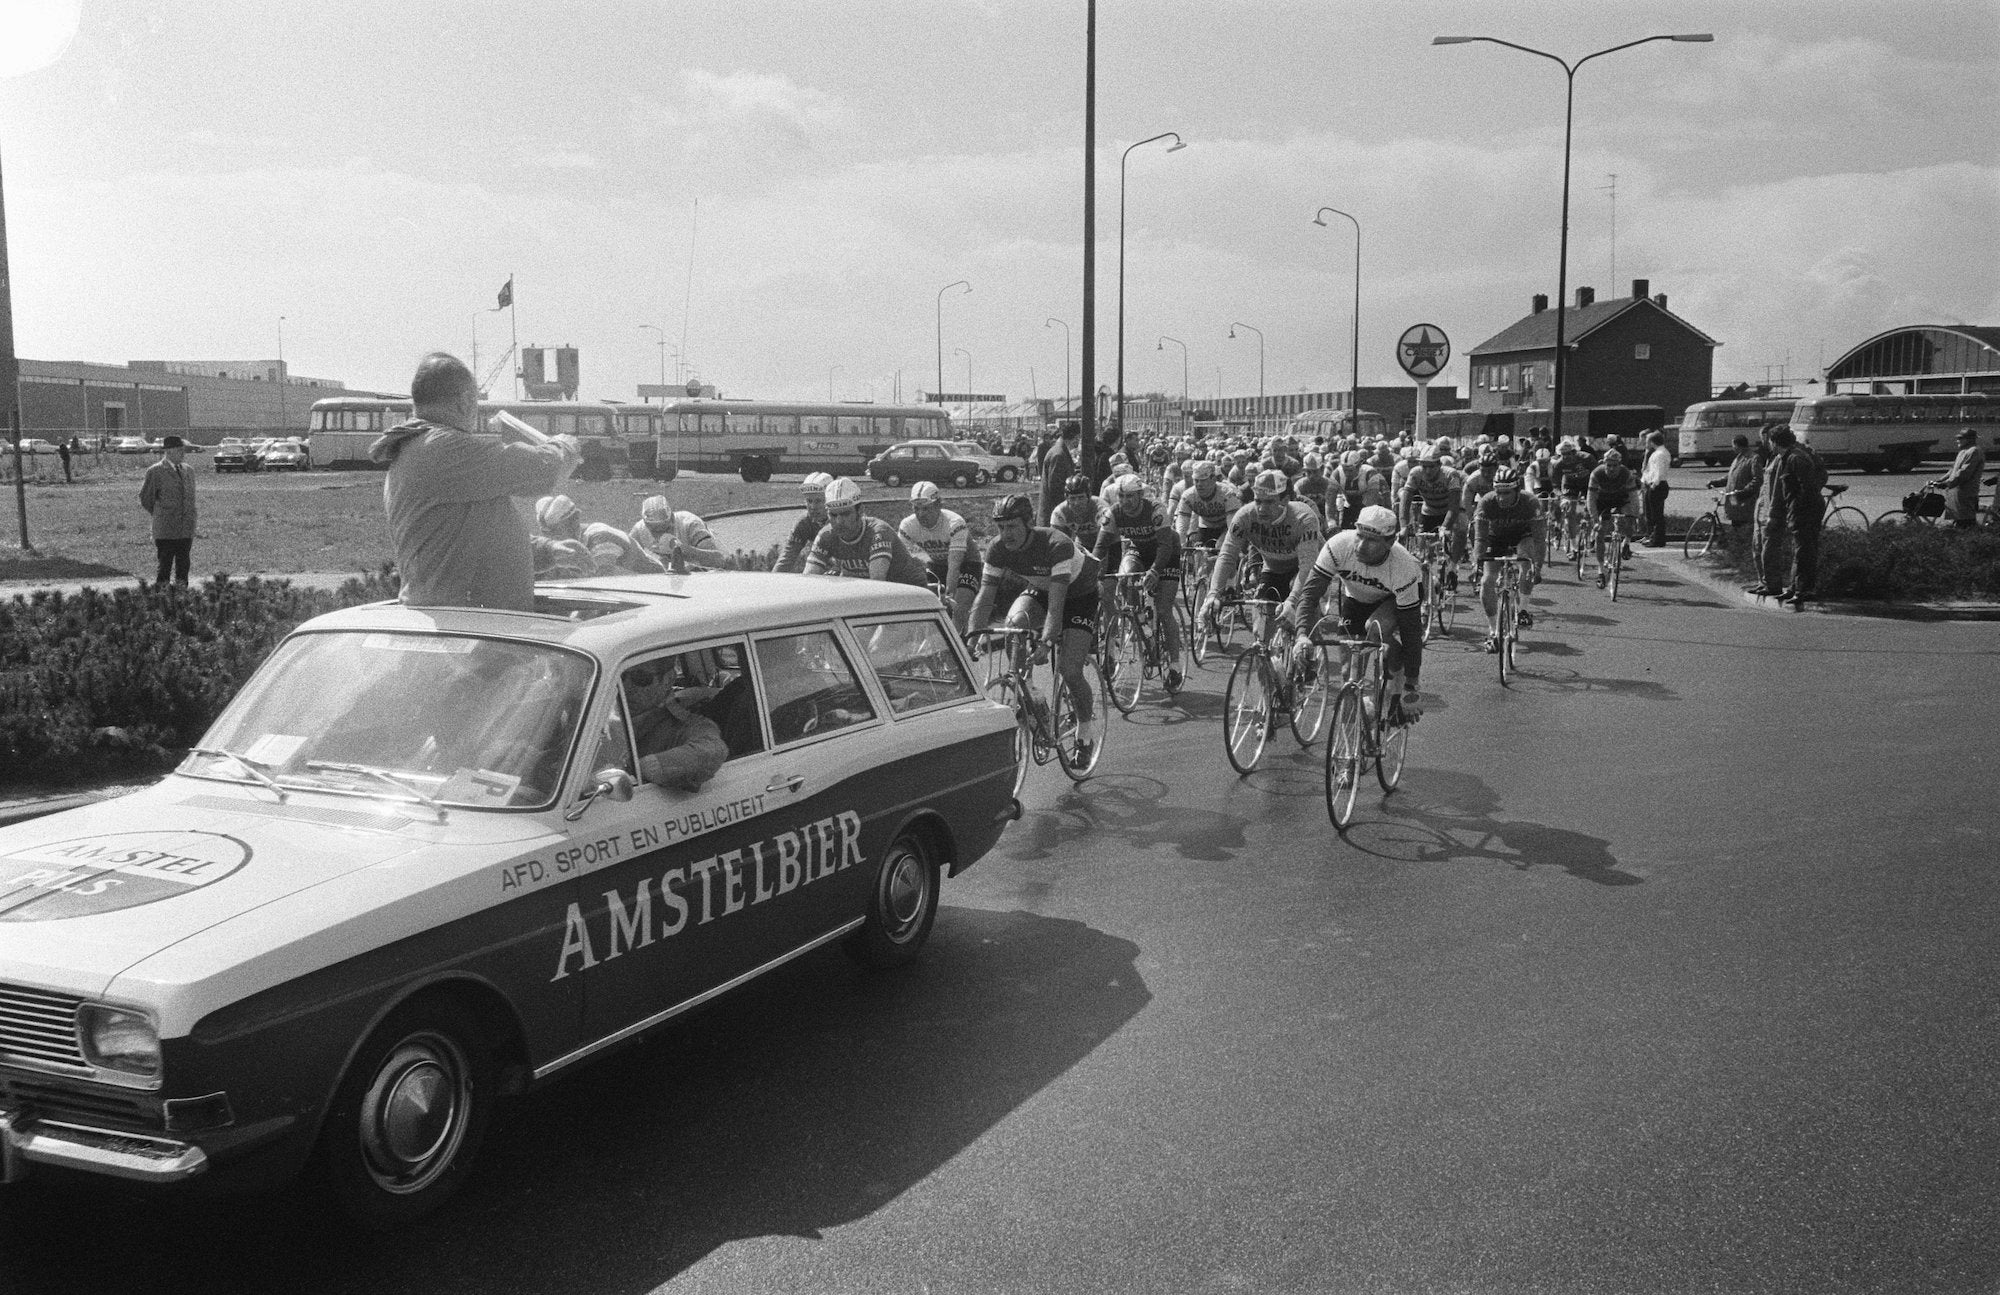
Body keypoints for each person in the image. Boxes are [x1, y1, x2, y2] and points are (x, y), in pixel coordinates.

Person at [370, 351, 581, 610]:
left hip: (461, 619)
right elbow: (540, 470)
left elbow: (476, 540)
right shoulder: (444, 448)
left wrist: (548, 551)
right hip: (467, 625)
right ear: (466, 401)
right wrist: (564, 447)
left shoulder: (419, 447)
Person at [969, 492, 1102, 764]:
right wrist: (970, 637)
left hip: (1079, 595)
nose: (1006, 534)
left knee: (1070, 669)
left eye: (1013, 527)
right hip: (1042, 588)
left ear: (1029, 523)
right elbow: (984, 598)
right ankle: (1030, 691)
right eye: (1001, 527)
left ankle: (1085, 733)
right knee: (1014, 623)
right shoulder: (997, 548)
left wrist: (1046, 641)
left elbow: (1056, 607)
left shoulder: (1057, 544)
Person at [1288, 505, 1426, 711]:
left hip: (1392, 600)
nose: (1361, 546)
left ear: (1390, 542)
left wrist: (1411, 684)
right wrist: (1301, 634)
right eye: (1359, 536)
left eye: (1371, 540)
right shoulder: (1339, 545)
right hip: (1356, 597)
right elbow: (1310, 595)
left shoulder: (1403, 566)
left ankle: (1397, 675)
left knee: (1374, 628)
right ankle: (1356, 726)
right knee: (1349, 670)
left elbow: (1411, 630)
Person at [1201, 469, 1323, 647]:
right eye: (1258, 501)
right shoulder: (1245, 515)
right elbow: (1227, 555)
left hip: (1305, 568)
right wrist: (1213, 595)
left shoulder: (1303, 517)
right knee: (1262, 639)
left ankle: (1308, 663)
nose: (1261, 508)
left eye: (1269, 502)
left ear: (1285, 500)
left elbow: (1307, 566)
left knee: (1303, 624)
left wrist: (1293, 600)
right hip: (1273, 568)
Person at [1094, 472, 1185, 691]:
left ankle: (1174, 665)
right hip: (1138, 550)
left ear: (1140, 495)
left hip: (1167, 552)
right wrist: (1094, 571)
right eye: (1122, 496)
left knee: (1163, 610)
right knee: (1125, 578)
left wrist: (1155, 571)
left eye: (1130, 497)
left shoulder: (1156, 509)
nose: (1125, 502)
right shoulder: (1114, 512)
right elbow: (1101, 545)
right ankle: (1141, 621)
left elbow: (1164, 545)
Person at [622, 657, 727, 792]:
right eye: (622, 676)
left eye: (640, 678)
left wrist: (643, 768)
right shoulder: (605, 718)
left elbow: (712, 750)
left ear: (668, 680)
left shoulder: (689, 726)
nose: (626, 687)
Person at [1470, 466, 1545, 652]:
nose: (1502, 497)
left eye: (1507, 493)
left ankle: (1523, 610)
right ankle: (1493, 631)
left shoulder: (1531, 502)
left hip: (1523, 535)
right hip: (1496, 538)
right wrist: (1476, 564)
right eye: (1499, 492)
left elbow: (1539, 540)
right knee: (1487, 581)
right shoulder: (1487, 502)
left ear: (1517, 490)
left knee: (1527, 563)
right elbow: (1479, 538)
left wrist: (1538, 567)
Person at [804, 477, 931, 584]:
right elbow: (808, 581)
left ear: (860, 511)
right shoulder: (826, 535)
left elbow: (876, 584)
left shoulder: (879, 532)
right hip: (879, 591)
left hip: (910, 589)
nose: (839, 522)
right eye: (833, 515)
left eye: (845, 514)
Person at [1760, 426, 1827, 608]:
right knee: (1798, 548)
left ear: (1775, 442)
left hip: (1806, 510)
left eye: (1770, 441)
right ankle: (1794, 587)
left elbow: (1808, 488)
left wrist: (1799, 509)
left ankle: (1803, 590)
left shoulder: (1796, 458)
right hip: (1797, 510)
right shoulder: (1787, 457)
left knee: (1804, 550)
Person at [899, 481, 980, 630]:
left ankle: (959, 645)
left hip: (967, 563)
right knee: (927, 604)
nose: (921, 514)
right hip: (937, 564)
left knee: (958, 605)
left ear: (938, 505)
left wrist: (948, 596)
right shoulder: (908, 525)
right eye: (916, 509)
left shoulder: (954, 523)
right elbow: (901, 562)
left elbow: (954, 566)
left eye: (926, 509)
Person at [535, 494, 665, 575]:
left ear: (575, 521)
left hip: (655, 588)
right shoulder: (562, 548)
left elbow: (602, 587)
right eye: (547, 533)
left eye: (556, 531)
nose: (552, 539)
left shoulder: (601, 537)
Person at [138, 434, 197, 587]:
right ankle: (162, 602)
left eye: (183, 450)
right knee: (164, 569)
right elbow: (146, 498)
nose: (183, 453)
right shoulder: (156, 471)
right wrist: (161, 514)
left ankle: (182, 600)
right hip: (166, 530)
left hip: (185, 529)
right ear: (168, 452)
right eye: (179, 450)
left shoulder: (188, 471)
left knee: (183, 569)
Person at [629, 492, 725, 572]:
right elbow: (626, 559)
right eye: (654, 530)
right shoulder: (639, 530)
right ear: (645, 524)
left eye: (664, 528)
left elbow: (718, 559)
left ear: (672, 519)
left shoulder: (690, 523)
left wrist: (683, 550)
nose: (660, 534)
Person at [1585, 448, 1640, 587]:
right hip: (1602, 501)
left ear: (1620, 465)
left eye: (1615, 465)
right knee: (1600, 533)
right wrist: (1595, 519)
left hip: (1621, 499)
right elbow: (1590, 498)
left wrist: (1634, 515)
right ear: (1604, 464)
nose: (1612, 468)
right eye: (1608, 465)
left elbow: (1633, 497)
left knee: (1629, 520)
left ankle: (1626, 543)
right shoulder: (1596, 473)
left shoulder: (1626, 474)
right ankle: (1600, 570)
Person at [773, 472, 833, 573]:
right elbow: (786, 558)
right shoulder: (804, 523)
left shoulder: (841, 520)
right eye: (809, 501)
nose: (813, 507)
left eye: (818, 501)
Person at [1933, 428, 1987, 529]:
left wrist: (1947, 483)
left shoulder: (1974, 451)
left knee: (1966, 522)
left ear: (1970, 439)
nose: (1957, 440)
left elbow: (1964, 473)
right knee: (1959, 521)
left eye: (1960, 438)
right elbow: (1953, 470)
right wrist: (1940, 480)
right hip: (1957, 492)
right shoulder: (1963, 451)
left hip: (1966, 492)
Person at [1038, 420, 1084, 524]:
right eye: (1078, 437)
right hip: (1054, 516)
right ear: (1075, 436)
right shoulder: (1059, 455)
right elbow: (1056, 489)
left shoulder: (1058, 451)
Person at [1639, 430, 1673, 546]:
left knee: (1656, 514)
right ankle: (1654, 537)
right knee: (1653, 513)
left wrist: (1654, 484)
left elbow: (1659, 471)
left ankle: (1658, 540)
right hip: (1655, 484)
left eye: (1648, 441)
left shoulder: (1660, 454)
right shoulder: (1659, 452)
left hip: (1657, 485)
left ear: (1653, 442)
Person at [1722, 434, 1761, 533]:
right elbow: (1731, 476)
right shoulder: (1738, 458)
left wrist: (1744, 492)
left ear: (1737, 445)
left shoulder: (1753, 458)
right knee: (1736, 526)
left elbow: (1757, 479)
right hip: (1735, 501)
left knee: (1744, 528)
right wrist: (1716, 482)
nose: (1732, 448)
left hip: (1745, 501)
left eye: (1733, 445)